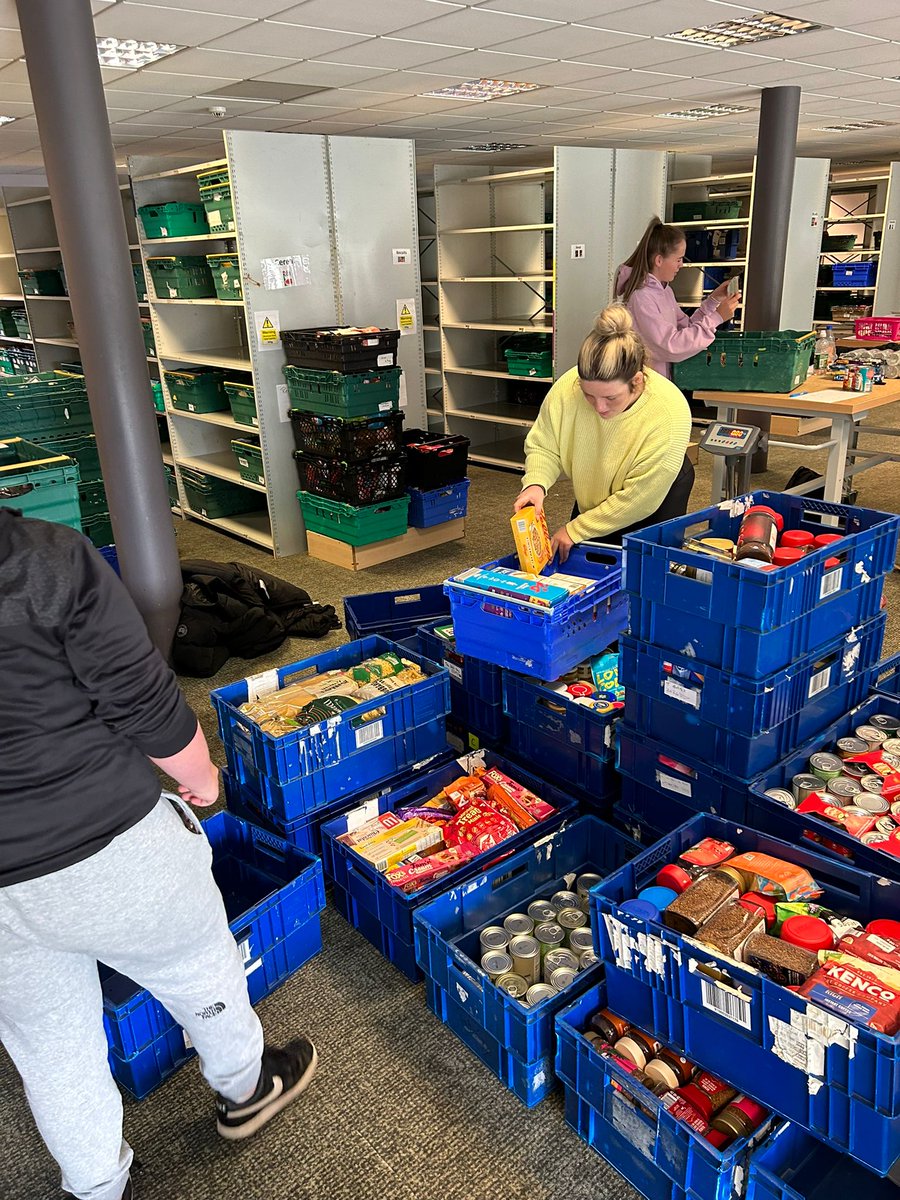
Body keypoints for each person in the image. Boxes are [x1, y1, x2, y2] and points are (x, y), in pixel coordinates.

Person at [0, 508, 317, 1200]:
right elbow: (140, 697)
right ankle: (248, 1087)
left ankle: (95, 1184)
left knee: (50, 1050)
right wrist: (202, 780)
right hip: (106, 838)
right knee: (199, 968)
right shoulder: (43, 559)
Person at [513, 305, 692, 560]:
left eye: (610, 397)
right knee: (585, 565)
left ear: (637, 382)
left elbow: (638, 500)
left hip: (653, 492)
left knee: (642, 574)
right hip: (597, 479)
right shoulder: (568, 387)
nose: (599, 407)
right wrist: (536, 483)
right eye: (588, 395)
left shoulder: (669, 411)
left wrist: (576, 529)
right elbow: (545, 443)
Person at [615, 216, 741, 378]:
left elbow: (686, 327)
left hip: (661, 383)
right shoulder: (642, 297)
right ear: (659, 260)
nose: (681, 265)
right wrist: (716, 318)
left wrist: (714, 300)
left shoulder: (665, 291)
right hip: (647, 386)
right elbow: (671, 346)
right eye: (679, 259)